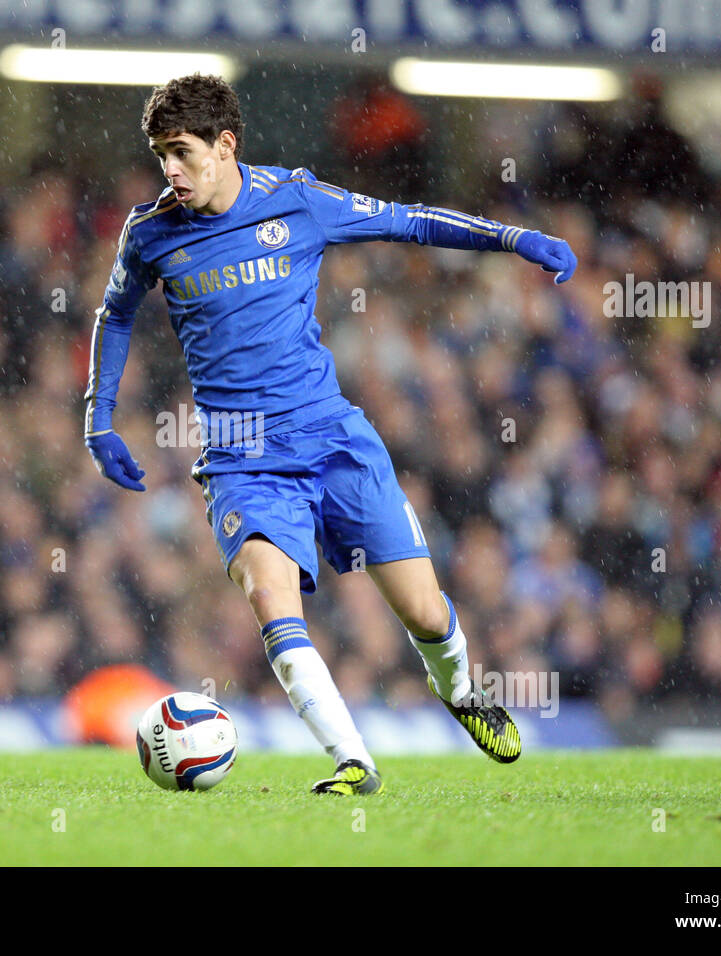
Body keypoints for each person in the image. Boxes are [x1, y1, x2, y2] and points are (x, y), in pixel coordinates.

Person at [84, 73, 576, 795]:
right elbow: (116, 313)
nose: (172, 172)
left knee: (425, 612)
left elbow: (406, 220)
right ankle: (354, 760)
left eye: (183, 153)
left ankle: (463, 695)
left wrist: (511, 236)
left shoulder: (298, 199)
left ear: (225, 145)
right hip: (241, 458)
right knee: (270, 600)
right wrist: (98, 416)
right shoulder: (151, 232)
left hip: (331, 438)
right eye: (162, 155)